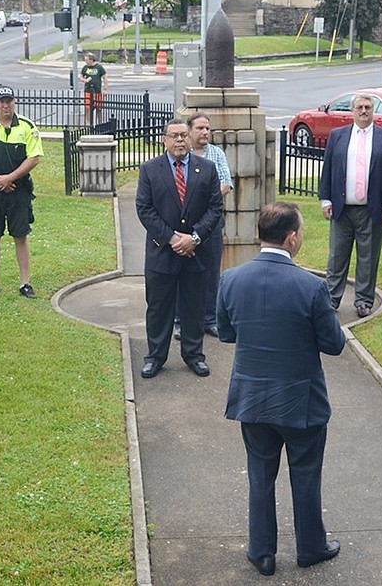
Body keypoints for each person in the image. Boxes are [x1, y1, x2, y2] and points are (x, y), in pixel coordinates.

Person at [216, 201, 345, 577]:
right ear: (291, 238)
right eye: (301, 232)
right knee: (305, 473)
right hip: (301, 400)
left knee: (260, 474)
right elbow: (334, 343)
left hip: (252, 398)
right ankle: (310, 547)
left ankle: (262, 553)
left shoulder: (231, 279)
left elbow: (225, 333)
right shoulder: (311, 286)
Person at [135, 119, 224, 378]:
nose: (180, 141)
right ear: (164, 139)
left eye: (184, 135)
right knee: (158, 307)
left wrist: (194, 238)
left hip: (196, 253)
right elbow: (144, 209)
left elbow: (215, 208)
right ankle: (155, 356)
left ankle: (194, 355)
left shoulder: (206, 169)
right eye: (174, 136)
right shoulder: (150, 170)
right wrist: (173, 238)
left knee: (194, 307)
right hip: (161, 252)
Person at [318, 93, 382, 318]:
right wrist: (325, 199)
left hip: (371, 209)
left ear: (373, 111)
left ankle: (364, 300)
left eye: (368, 107)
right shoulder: (338, 136)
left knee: (368, 257)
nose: (364, 111)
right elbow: (328, 170)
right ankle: (332, 299)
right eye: (359, 107)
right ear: (352, 111)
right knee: (337, 256)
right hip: (342, 209)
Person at [0, 85, 44, 299]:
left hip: (18, 191)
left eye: (9, 101)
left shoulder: (27, 127)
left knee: (20, 235)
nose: (5, 105)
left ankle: (25, 283)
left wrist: (9, 178)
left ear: (14, 102)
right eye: (1, 101)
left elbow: (34, 158)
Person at [173, 111, 234, 339]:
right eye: (200, 128)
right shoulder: (180, 154)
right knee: (180, 271)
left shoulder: (215, 154)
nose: (205, 132)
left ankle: (210, 319)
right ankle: (179, 320)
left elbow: (226, 184)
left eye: (208, 128)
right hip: (184, 224)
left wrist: (201, 201)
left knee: (211, 272)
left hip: (211, 223)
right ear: (189, 132)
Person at [79, 52, 108, 126]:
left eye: (87, 60)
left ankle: (100, 124)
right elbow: (80, 76)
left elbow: (105, 77)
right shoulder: (85, 68)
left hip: (97, 91)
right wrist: (84, 80)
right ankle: (88, 124)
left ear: (92, 60)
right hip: (88, 91)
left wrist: (105, 89)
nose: (86, 62)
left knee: (99, 109)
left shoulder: (99, 67)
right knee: (88, 108)